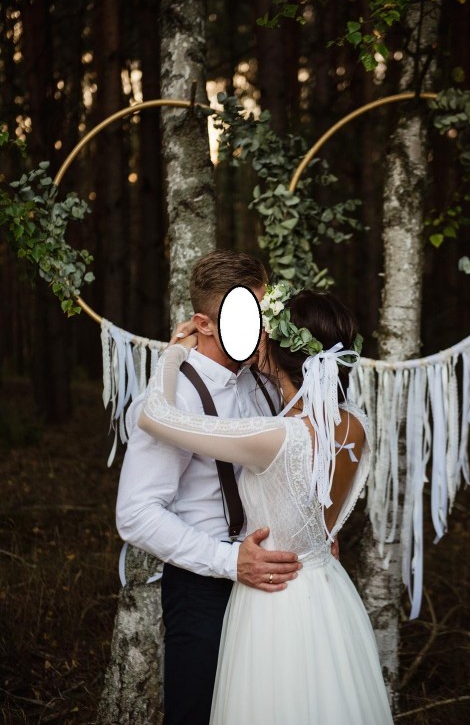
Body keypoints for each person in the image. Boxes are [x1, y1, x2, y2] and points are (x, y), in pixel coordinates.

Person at [138, 283, 394, 725]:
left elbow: (154, 416)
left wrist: (173, 354)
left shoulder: (274, 437)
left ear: (274, 350)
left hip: (273, 599)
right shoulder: (355, 425)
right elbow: (322, 516)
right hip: (327, 591)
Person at [116, 251, 304, 725]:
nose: (261, 331)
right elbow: (136, 513)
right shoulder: (172, 398)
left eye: (263, 315)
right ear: (202, 323)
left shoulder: (265, 380)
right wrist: (229, 561)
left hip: (274, 584)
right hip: (203, 589)